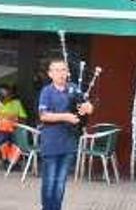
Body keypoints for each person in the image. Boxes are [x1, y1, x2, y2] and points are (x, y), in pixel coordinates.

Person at [37, 59, 92, 210]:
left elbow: (85, 105)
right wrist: (65, 117)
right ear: (50, 74)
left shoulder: (74, 89)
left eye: (63, 70)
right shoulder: (46, 91)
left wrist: (88, 107)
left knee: (60, 183)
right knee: (49, 183)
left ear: (68, 73)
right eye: (56, 70)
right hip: (51, 144)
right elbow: (43, 116)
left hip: (69, 143)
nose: (60, 73)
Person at [0, 85, 28, 165]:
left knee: (17, 140)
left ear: (10, 94)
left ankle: (10, 160)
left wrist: (15, 122)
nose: (4, 96)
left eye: (6, 94)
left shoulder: (16, 103)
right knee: (2, 139)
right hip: (1, 130)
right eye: (1, 95)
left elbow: (23, 117)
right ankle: (8, 159)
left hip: (15, 128)